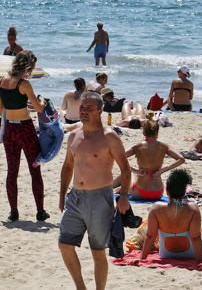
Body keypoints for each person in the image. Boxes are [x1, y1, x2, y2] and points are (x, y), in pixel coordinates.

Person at [58, 92, 131, 290]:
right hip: (75, 198)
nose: (84, 111)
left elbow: (125, 169)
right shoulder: (74, 135)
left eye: (89, 108)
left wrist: (124, 196)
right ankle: (81, 287)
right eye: (82, 108)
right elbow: (67, 166)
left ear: (100, 110)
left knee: (97, 252)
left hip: (100, 198)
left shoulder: (109, 137)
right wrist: (61, 194)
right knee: (65, 245)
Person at [0, 50, 48, 222]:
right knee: (34, 170)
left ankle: (13, 212)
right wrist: (42, 101)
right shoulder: (24, 84)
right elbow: (39, 108)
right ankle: (40, 212)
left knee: (12, 172)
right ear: (28, 66)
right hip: (25, 129)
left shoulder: (2, 82)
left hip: (9, 132)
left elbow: (1, 109)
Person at [141, 169, 202, 261]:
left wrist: (142, 258)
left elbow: (150, 236)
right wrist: (200, 260)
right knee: (197, 229)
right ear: (184, 192)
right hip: (191, 253)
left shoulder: (156, 208)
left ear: (167, 191)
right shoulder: (192, 208)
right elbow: (195, 237)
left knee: (194, 228)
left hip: (166, 253)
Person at [114, 120, 185, 200]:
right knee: (132, 175)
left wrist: (135, 171)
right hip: (158, 192)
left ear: (144, 132)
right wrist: (163, 170)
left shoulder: (138, 146)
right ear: (157, 132)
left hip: (140, 191)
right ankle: (117, 188)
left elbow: (118, 157)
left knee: (130, 174)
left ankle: (111, 187)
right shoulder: (164, 146)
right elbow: (181, 159)